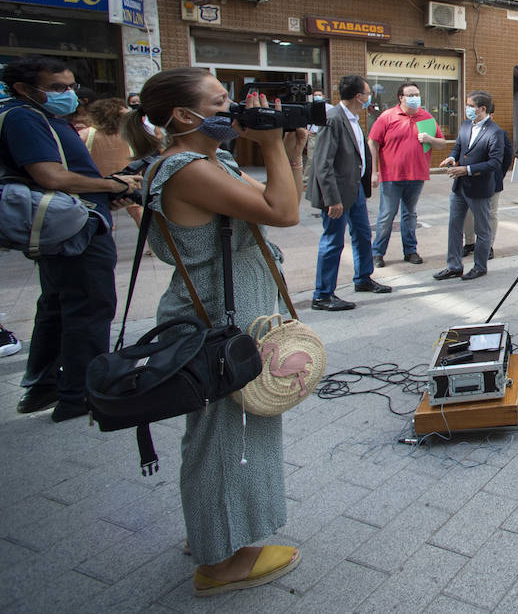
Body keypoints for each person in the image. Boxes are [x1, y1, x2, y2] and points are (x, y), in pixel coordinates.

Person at [125, 67, 306, 597]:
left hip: (226, 313)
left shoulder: (212, 159)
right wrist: (269, 143)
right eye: (222, 100)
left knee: (227, 433)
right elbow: (286, 212)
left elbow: (274, 202)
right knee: (230, 438)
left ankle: (213, 532)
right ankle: (221, 563)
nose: (236, 109)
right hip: (217, 321)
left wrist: (288, 149)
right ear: (184, 115)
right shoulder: (185, 169)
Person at [0, 56, 140, 421]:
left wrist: (108, 193)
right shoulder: (24, 117)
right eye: (58, 88)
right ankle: (81, 394)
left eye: (71, 86)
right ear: (24, 89)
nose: (70, 94)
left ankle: (44, 387)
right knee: (89, 307)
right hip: (75, 232)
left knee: (60, 306)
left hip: (74, 224)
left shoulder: (42, 117)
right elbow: (51, 176)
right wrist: (113, 184)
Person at [307, 75, 390, 311]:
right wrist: (332, 199)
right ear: (358, 97)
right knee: (333, 242)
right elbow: (323, 163)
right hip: (337, 194)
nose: (369, 97)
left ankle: (363, 278)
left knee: (363, 235)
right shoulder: (333, 119)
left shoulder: (352, 117)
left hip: (355, 192)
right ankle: (322, 294)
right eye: (367, 93)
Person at [368, 81, 442, 267]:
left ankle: (410, 251)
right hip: (391, 176)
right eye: (410, 95)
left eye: (417, 95)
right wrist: (373, 172)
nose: (415, 98)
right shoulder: (387, 117)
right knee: (387, 215)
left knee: (410, 215)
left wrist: (429, 139)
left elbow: (441, 143)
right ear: (401, 97)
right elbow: (373, 143)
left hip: (416, 176)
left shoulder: (426, 118)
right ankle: (377, 253)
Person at [435, 90, 505, 281]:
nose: (467, 109)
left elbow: (495, 163)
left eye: (470, 106)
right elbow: (459, 146)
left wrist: (467, 170)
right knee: (454, 226)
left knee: (482, 230)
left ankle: (480, 266)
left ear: (482, 108)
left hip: (479, 188)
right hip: (460, 187)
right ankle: (454, 266)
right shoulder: (466, 125)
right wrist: (451, 157)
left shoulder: (495, 132)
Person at [87, 97, 144, 226]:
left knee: (103, 212)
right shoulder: (128, 134)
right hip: (127, 179)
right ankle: (152, 244)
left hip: (102, 182)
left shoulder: (87, 134)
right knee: (137, 210)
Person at [463, 124, 513, 260]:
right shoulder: (467, 131)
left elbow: (508, 156)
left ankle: (488, 246)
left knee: (491, 213)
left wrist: (499, 174)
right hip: (470, 180)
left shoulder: (500, 133)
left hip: (492, 181)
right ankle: (469, 243)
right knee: (468, 213)